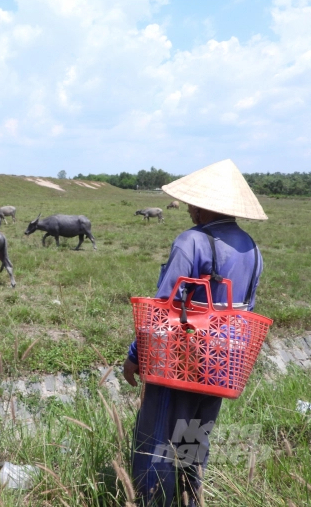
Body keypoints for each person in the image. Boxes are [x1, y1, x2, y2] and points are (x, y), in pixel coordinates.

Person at [123, 159, 267, 506]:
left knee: (157, 440)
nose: (188, 207)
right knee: (193, 440)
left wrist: (134, 355)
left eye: (193, 201)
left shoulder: (192, 242)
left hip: (181, 360)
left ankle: (154, 501)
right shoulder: (253, 248)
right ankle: (190, 499)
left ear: (204, 206)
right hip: (223, 363)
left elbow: (162, 310)